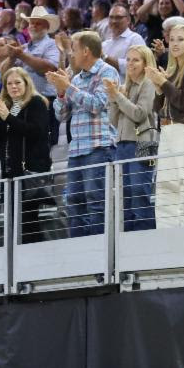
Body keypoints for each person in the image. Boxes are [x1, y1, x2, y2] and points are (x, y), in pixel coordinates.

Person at [49, 31, 120, 238]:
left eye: (75, 49)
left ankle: (101, 255)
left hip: (99, 147)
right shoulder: (76, 78)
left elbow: (97, 105)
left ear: (86, 51)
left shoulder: (108, 73)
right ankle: (80, 255)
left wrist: (68, 87)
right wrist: (61, 92)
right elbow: (61, 115)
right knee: (73, 203)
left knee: (97, 201)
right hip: (77, 150)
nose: (72, 54)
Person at [145, 23, 184, 228]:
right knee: (165, 187)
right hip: (167, 130)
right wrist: (159, 87)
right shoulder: (172, 72)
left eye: (181, 39)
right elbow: (158, 107)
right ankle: (166, 237)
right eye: (171, 39)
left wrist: (163, 83)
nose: (175, 43)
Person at [0, 67, 52, 242]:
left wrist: (7, 118)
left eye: (17, 82)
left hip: (29, 172)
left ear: (27, 83)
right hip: (10, 173)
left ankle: (36, 263)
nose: (13, 87)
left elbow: (35, 131)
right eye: (9, 84)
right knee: (15, 223)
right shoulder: (9, 108)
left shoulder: (36, 102)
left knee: (29, 222)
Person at [105, 45, 158, 231]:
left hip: (145, 142)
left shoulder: (149, 83)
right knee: (124, 196)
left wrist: (118, 97)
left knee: (139, 191)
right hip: (122, 145)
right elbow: (114, 120)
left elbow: (140, 114)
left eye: (135, 60)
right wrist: (113, 98)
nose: (130, 63)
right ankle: (127, 241)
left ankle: (145, 239)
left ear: (146, 63)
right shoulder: (124, 86)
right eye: (128, 59)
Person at [100, 5, 147, 75]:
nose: (114, 21)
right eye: (111, 17)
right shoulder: (104, 44)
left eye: (118, 17)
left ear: (128, 20)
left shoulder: (135, 39)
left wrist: (105, 57)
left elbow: (137, 66)